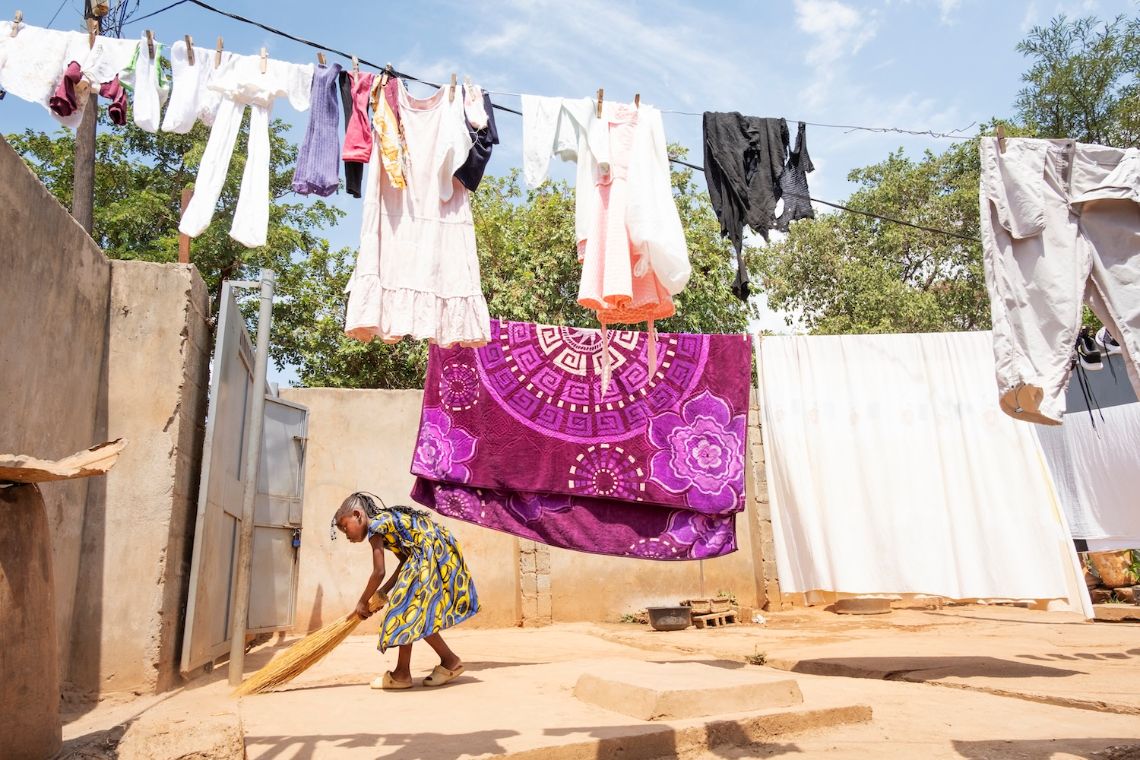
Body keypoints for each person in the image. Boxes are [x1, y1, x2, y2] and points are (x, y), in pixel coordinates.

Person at [331, 491, 479, 689]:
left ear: (357, 515)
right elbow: (404, 561)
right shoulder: (386, 523)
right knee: (415, 612)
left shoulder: (375, 526)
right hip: (435, 551)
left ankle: (402, 674)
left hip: (429, 553)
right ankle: (448, 661)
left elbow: (379, 571)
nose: (346, 535)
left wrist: (362, 601)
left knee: (406, 610)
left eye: (344, 527)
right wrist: (383, 593)